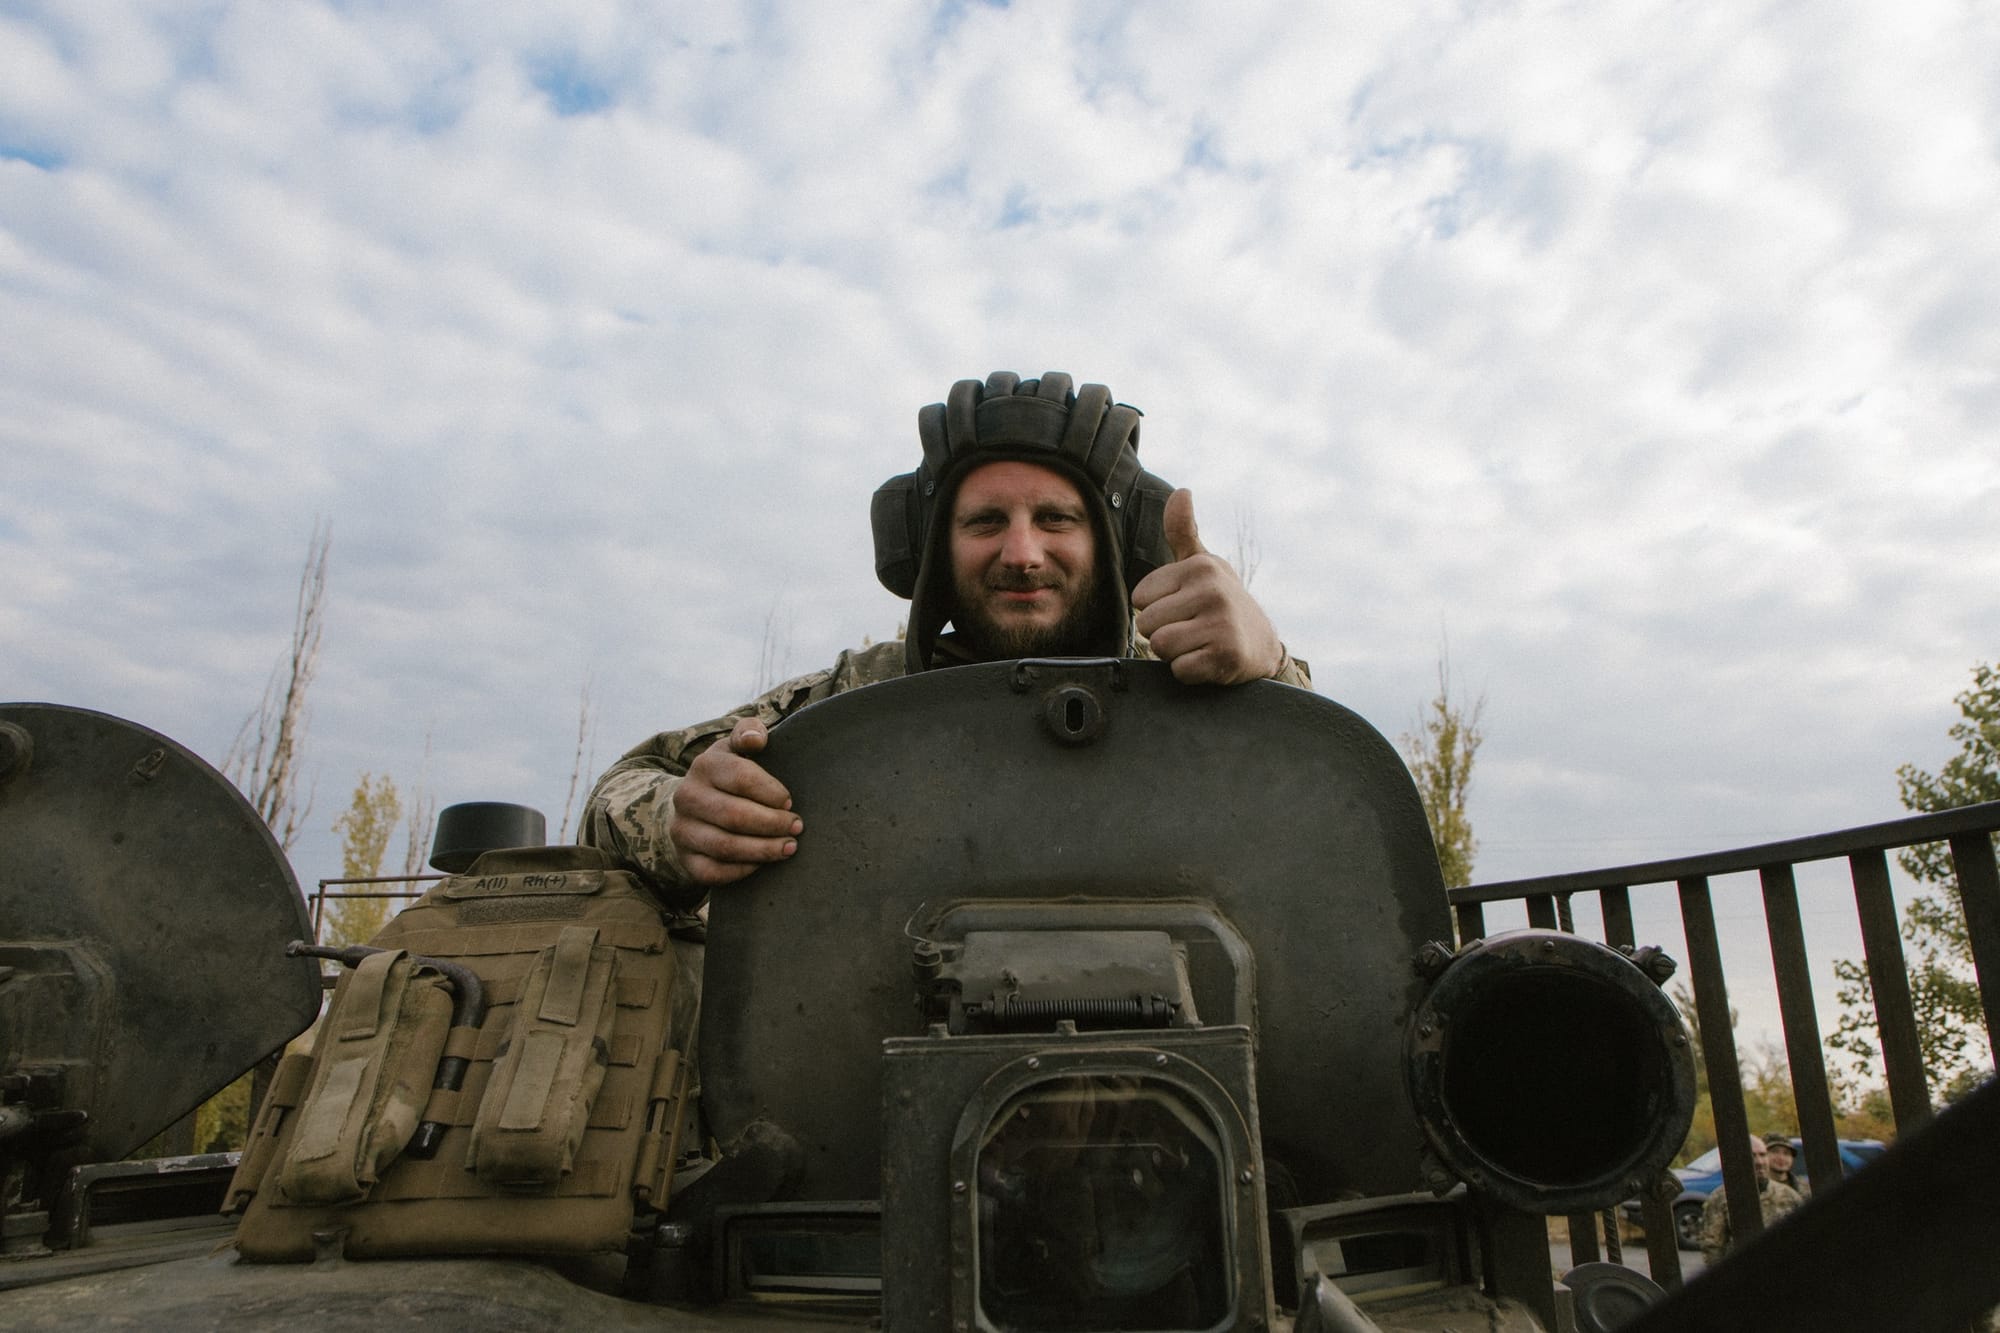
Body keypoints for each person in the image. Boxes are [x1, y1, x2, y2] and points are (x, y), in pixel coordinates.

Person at [583, 371, 1311, 906]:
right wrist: (680, 822)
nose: (1022, 552)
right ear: (934, 550)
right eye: (986, 521)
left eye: (1057, 519)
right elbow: (620, 787)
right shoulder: (861, 702)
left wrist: (1270, 668)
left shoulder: (1193, 688)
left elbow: (1329, 815)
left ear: (1114, 543)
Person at [1699, 1133, 1803, 1265]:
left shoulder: (1790, 1196)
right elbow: (1712, 1248)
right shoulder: (1721, 1198)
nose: (1759, 1162)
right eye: (1752, 1155)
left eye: (1762, 1154)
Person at [1763, 1132, 1807, 1198]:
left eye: (1786, 1153)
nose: (1781, 1158)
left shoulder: (1805, 1188)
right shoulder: (1757, 1189)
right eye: (1775, 1151)